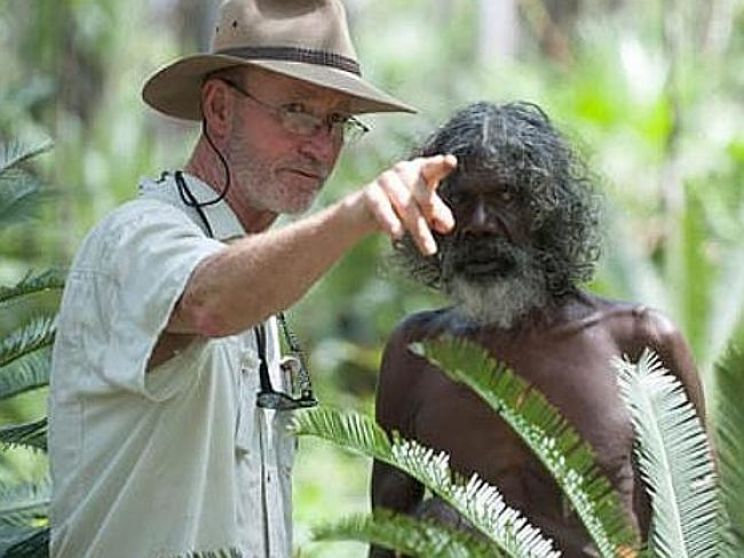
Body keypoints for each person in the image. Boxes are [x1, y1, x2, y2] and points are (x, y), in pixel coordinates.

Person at [48, 1, 457, 557]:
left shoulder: (256, 268)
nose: (319, 146)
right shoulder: (136, 238)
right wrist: (354, 215)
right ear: (218, 108)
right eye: (297, 110)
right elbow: (210, 303)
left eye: (337, 121)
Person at [370, 101, 706, 558]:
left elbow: (695, 533)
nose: (479, 224)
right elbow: (387, 535)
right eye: (461, 201)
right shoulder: (418, 352)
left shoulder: (639, 342)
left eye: (505, 197)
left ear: (549, 211)